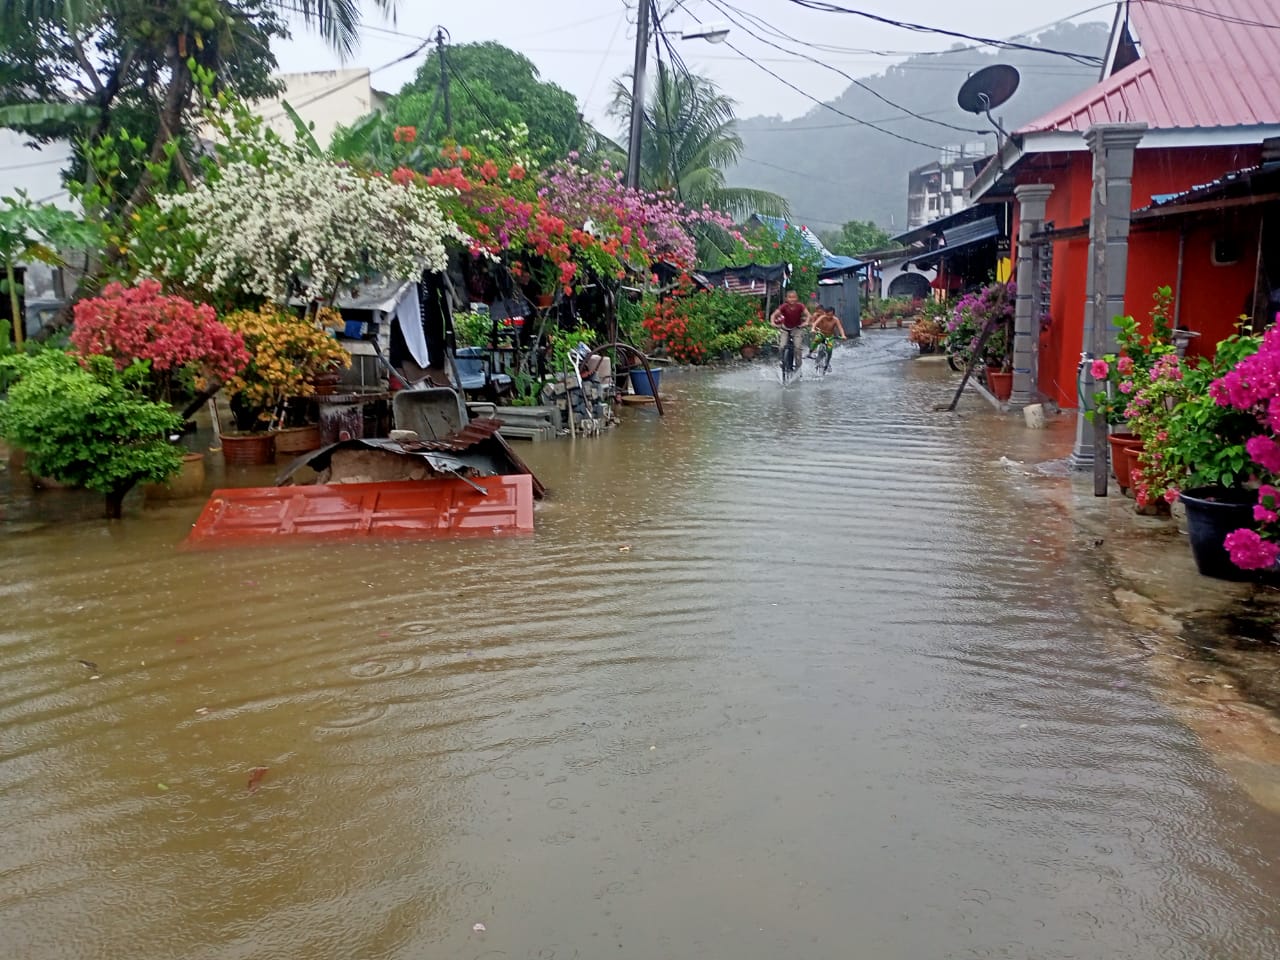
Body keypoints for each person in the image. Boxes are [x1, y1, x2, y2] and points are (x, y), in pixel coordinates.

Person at [770, 290, 810, 370]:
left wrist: (806, 322)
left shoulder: (800, 306)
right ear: (786, 299)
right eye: (790, 297)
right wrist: (772, 322)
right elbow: (774, 315)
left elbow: (808, 315)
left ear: (797, 298)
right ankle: (782, 361)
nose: (792, 299)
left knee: (797, 348)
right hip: (785, 329)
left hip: (797, 328)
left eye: (794, 297)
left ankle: (798, 366)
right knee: (781, 346)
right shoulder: (784, 306)